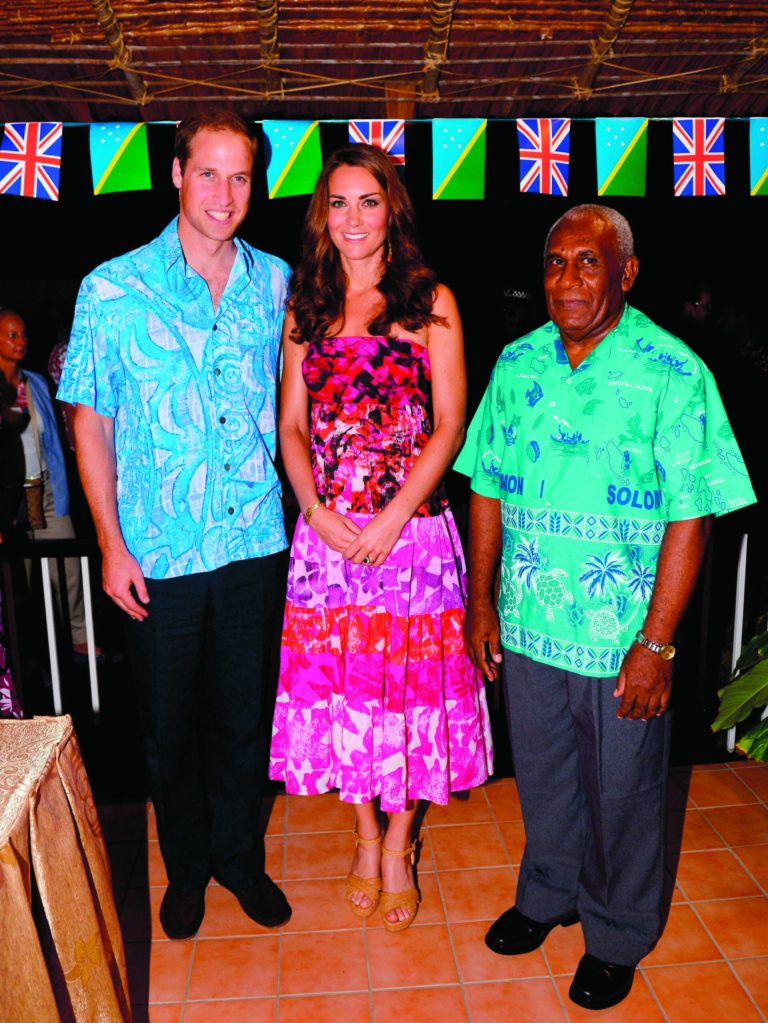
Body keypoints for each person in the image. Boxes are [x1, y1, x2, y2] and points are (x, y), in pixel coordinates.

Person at [454, 204, 756, 1010]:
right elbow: (486, 481)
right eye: (556, 262)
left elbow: (691, 512)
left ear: (627, 272)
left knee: (622, 787)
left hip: (621, 632)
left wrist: (656, 644)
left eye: (589, 263)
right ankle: (549, 891)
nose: (568, 279)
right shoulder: (517, 364)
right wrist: (481, 601)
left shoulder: (673, 370)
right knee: (546, 774)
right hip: (528, 621)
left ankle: (618, 928)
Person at [58, 110, 292, 940]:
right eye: (208, 173)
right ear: (176, 175)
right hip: (157, 549)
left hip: (257, 542)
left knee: (243, 717)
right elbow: (90, 421)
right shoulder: (112, 287)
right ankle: (186, 867)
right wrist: (111, 543)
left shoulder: (278, 282)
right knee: (167, 727)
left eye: (240, 176)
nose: (225, 194)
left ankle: (239, 857)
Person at [269, 144, 493, 932]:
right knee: (346, 692)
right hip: (325, 542)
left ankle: (401, 842)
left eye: (368, 202)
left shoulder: (432, 303)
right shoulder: (305, 307)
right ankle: (363, 829)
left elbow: (451, 424)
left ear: (392, 213)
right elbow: (291, 426)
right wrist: (317, 512)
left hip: (415, 538)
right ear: (321, 215)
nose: (352, 218)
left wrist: (396, 512)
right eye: (338, 202)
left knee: (412, 693)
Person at [0, 309, 90, 655]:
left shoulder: (35, 382)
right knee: (20, 582)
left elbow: (51, 439)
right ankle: (33, 651)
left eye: (23, 335)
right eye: (12, 335)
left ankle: (79, 637)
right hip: (10, 499)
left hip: (46, 489)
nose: (21, 342)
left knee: (67, 566)